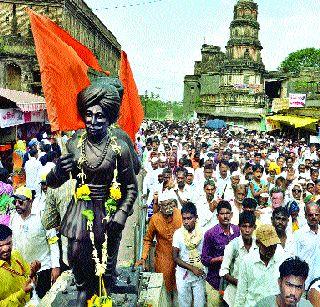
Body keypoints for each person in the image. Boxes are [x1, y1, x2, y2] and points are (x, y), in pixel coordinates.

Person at [46, 78, 138, 304]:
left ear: (109, 118)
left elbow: (131, 187)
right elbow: (52, 182)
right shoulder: (74, 143)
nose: (94, 121)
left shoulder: (120, 147)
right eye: (89, 115)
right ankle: (82, 288)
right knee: (75, 254)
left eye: (100, 116)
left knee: (106, 258)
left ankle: (103, 289)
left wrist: (121, 213)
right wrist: (58, 170)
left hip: (109, 207)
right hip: (81, 207)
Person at [10, 186, 61, 298]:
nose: (17, 204)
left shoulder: (42, 216)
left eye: (21, 201)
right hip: (23, 271)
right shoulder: (13, 218)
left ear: (30, 201)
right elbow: (13, 244)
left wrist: (56, 266)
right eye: (15, 201)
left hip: (43, 269)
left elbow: (53, 242)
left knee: (44, 300)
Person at [136, 193, 182, 303]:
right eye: (165, 205)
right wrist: (143, 258)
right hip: (163, 260)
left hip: (181, 259)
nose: (168, 207)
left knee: (180, 291)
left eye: (170, 204)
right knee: (164, 292)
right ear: (160, 206)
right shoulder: (155, 219)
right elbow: (148, 240)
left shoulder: (180, 214)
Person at [234, 224, 288, 307]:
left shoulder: (282, 259)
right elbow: (241, 292)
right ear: (258, 243)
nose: (271, 249)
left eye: (274, 246)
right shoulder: (247, 261)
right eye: (267, 246)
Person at [201, 201, 240, 306]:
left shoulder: (237, 231)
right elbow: (204, 259)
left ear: (231, 215)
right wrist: (220, 259)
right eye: (222, 214)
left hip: (232, 283)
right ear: (217, 216)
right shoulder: (210, 234)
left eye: (228, 213)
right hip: (214, 282)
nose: (225, 216)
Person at [220, 211, 257, 307]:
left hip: (252, 296)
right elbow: (223, 271)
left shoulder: (258, 246)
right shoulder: (233, 245)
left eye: (250, 227)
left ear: (254, 227)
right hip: (233, 295)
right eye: (244, 226)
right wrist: (240, 283)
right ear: (239, 227)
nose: (247, 230)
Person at [172, 202, 206, 307]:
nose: (186, 222)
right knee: (184, 304)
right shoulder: (178, 234)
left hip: (199, 274)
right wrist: (192, 268)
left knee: (199, 304)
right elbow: (175, 257)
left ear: (196, 217)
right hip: (183, 275)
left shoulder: (203, 233)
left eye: (189, 218)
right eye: (184, 219)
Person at [0, 224, 41, 306]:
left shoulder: (16, 255)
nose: (6, 248)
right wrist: (23, 292)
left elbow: (29, 278)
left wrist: (34, 272)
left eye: (9, 243)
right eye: (0, 245)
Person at [294, 202, 320, 289]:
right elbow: (295, 259)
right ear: (305, 216)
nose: (314, 217)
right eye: (310, 215)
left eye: (316, 214)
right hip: (305, 283)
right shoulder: (298, 235)